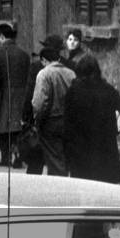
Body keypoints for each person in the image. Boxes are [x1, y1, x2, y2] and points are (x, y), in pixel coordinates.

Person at [65, 56, 120, 183]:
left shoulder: (74, 91)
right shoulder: (107, 89)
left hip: (81, 149)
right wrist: (117, 128)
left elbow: (68, 123)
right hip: (104, 149)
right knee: (104, 188)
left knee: (83, 189)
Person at [0, 23, 31, 167]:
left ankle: (5, 158)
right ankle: (17, 154)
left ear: (0, 35)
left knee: (3, 127)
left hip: (3, 94)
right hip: (21, 94)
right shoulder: (24, 54)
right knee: (17, 127)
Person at [31, 45, 76, 176]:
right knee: (64, 157)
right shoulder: (71, 73)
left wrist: (37, 121)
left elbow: (39, 103)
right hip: (68, 121)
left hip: (50, 122)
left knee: (54, 160)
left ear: (44, 60)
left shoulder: (44, 74)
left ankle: (58, 188)